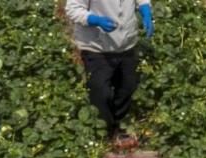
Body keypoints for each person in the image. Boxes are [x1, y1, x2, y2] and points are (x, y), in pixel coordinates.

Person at [64, 0, 153, 141]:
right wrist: (94, 20)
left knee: (128, 86)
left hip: (126, 44)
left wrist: (145, 9)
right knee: (101, 91)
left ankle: (119, 125)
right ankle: (104, 132)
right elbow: (73, 8)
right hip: (96, 47)